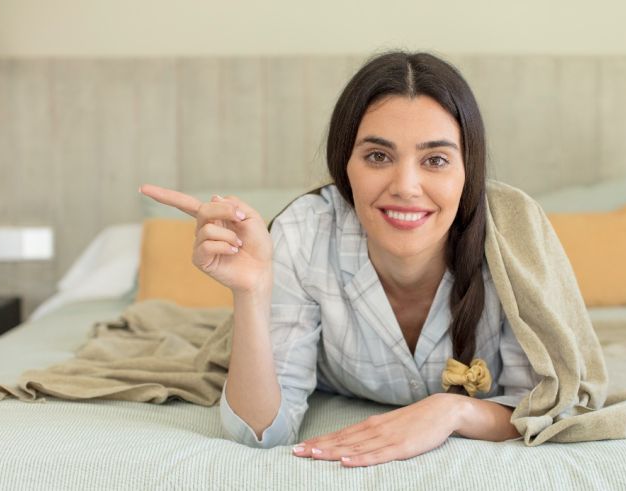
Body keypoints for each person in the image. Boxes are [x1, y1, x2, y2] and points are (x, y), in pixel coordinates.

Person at [139, 51, 541, 468]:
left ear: (468, 170)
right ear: (344, 164)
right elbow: (259, 433)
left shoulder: (512, 241)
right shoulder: (305, 233)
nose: (406, 186)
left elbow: (546, 408)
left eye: (435, 160)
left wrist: (451, 411)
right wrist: (253, 292)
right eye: (378, 156)